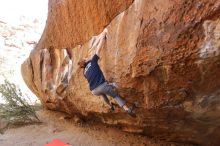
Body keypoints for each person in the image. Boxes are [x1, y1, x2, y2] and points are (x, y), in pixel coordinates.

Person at [78, 29, 134, 115]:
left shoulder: (84, 72)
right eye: (86, 58)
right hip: (102, 86)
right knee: (115, 95)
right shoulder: (92, 61)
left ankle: (109, 106)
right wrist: (103, 35)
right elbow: (98, 49)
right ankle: (127, 109)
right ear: (86, 61)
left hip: (94, 91)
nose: (88, 57)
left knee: (103, 94)